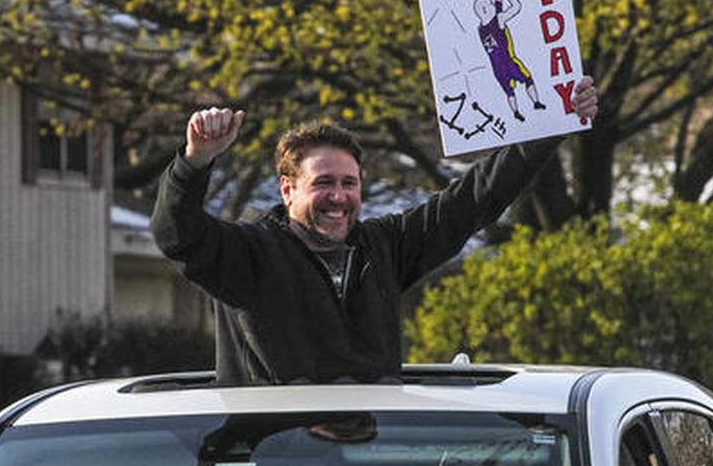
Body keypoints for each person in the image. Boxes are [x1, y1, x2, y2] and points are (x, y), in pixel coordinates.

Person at [150, 76, 598, 385]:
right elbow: (177, 234)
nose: (339, 198)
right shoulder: (248, 255)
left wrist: (551, 126)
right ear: (287, 189)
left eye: (349, 183)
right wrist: (194, 162)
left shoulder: (384, 247)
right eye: (323, 183)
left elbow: (471, 202)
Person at [475, 0, 546, 121]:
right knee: (527, 79)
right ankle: (536, 102)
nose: (492, 5)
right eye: (489, 4)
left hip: (497, 68)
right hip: (509, 60)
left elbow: (496, 9)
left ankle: (515, 112)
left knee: (509, 92)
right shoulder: (498, 20)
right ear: (484, 9)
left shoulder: (481, 29)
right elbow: (516, 6)